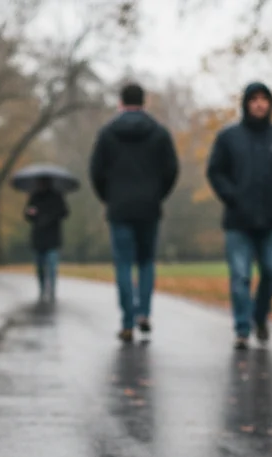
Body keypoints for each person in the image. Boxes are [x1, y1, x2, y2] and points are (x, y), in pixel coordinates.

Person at [207, 82, 272, 350]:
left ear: (270, 104)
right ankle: (241, 328)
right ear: (246, 104)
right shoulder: (229, 137)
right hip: (238, 221)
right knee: (240, 277)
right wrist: (231, 196)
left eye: (264, 99)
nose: (260, 104)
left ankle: (259, 317)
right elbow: (215, 171)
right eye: (254, 99)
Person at [89, 83, 179, 343]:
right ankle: (144, 313)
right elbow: (171, 170)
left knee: (124, 264)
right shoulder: (160, 133)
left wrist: (109, 197)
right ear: (144, 101)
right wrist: (157, 194)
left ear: (120, 102)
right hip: (149, 207)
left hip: (119, 207)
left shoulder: (107, 133)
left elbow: (96, 171)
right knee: (146, 262)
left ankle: (127, 321)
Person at [24, 178, 69, 301]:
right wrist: (31, 213)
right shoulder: (34, 197)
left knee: (52, 265)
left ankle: (52, 290)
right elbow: (27, 214)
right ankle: (42, 288)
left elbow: (64, 213)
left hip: (52, 238)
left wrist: (49, 216)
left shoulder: (57, 197)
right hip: (38, 238)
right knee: (40, 266)